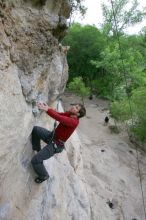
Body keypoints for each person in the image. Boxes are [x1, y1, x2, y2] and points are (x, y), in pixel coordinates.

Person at [31, 102, 86, 183]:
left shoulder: (74, 121)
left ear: (78, 114)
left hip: (55, 145)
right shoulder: (69, 114)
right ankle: (37, 149)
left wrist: (47, 110)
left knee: (35, 160)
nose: (73, 106)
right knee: (36, 130)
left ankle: (44, 176)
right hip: (52, 136)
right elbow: (58, 114)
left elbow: (59, 118)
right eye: (75, 105)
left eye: (76, 108)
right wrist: (48, 108)